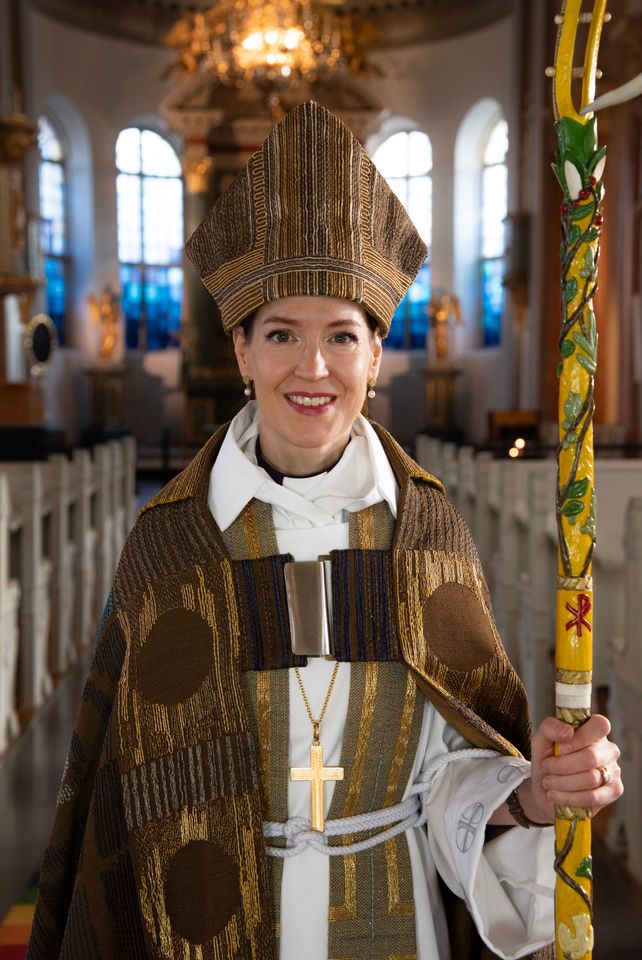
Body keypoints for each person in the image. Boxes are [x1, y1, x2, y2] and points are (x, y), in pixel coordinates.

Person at [27, 100, 622, 960]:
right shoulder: (173, 543)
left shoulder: (424, 534)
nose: (313, 369)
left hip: (393, 921)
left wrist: (532, 795)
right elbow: (130, 804)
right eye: (281, 334)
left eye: (342, 336)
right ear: (240, 350)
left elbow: (448, 775)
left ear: (377, 354)